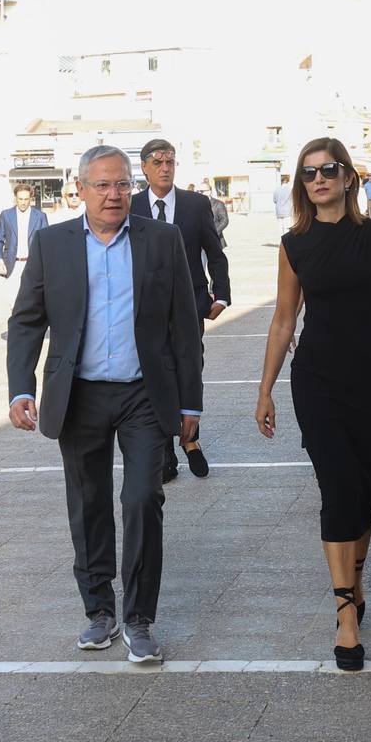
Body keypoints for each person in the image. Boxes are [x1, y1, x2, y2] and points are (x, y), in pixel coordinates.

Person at [6, 145, 203, 663]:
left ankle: (139, 619)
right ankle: (100, 612)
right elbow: (27, 319)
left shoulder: (162, 241)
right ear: (81, 189)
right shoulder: (53, 244)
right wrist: (21, 387)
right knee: (89, 504)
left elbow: (184, 325)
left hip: (145, 395)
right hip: (81, 397)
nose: (115, 194)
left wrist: (191, 404)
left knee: (142, 499)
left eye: (122, 184)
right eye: (103, 185)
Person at [255, 137, 371, 673]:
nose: (318, 180)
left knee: (365, 487)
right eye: (308, 174)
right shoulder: (293, 244)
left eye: (328, 170)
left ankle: (358, 575)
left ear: (349, 177)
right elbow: (283, 320)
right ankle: (345, 611)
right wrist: (265, 389)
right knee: (337, 487)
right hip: (317, 381)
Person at [131, 138, 232, 483]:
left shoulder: (194, 204)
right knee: (152, 373)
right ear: (144, 167)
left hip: (190, 303)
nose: (164, 168)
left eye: (170, 162)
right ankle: (165, 454)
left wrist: (222, 294)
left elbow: (214, 252)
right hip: (145, 308)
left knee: (190, 364)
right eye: (157, 162)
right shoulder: (130, 207)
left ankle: (190, 438)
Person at [0, 182, 49, 281]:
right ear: (15, 198)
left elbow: (46, 241)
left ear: (31, 199)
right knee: (12, 296)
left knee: (33, 296)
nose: (23, 202)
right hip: (12, 266)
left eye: (26, 199)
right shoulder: (6, 215)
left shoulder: (40, 216)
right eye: (20, 199)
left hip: (33, 266)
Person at [198, 182, 229, 247]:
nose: (199, 193)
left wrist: (214, 233)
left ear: (209, 191)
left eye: (202, 191)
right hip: (200, 242)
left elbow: (225, 220)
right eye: (198, 191)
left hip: (216, 241)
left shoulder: (219, 204)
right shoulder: (196, 204)